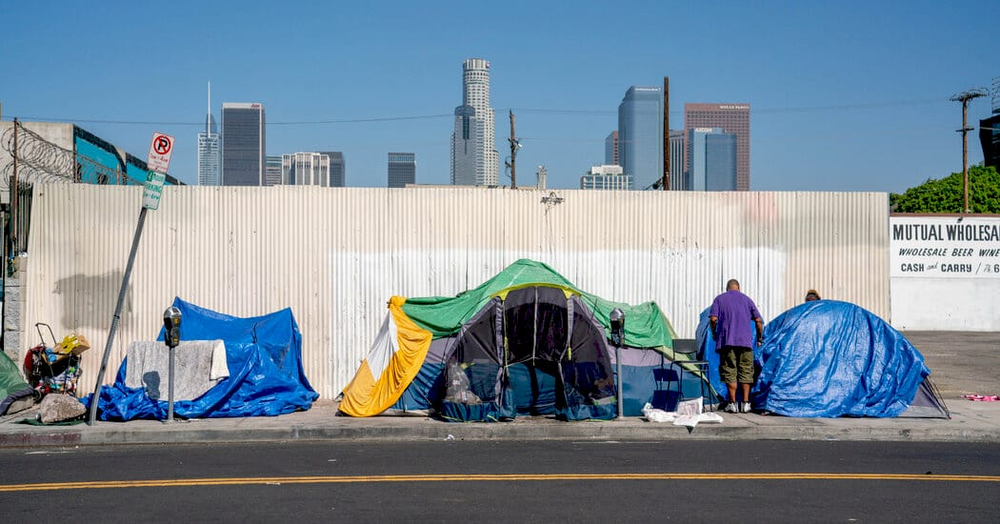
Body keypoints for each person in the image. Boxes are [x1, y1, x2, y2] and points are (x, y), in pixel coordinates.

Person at [709, 279, 764, 414]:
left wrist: (714, 333)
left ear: (727, 288)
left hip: (727, 342)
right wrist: (759, 338)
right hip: (745, 342)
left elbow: (713, 319)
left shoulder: (719, 299)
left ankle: (732, 404)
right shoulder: (747, 300)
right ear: (739, 287)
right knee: (746, 371)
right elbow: (758, 321)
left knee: (730, 370)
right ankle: (746, 403)